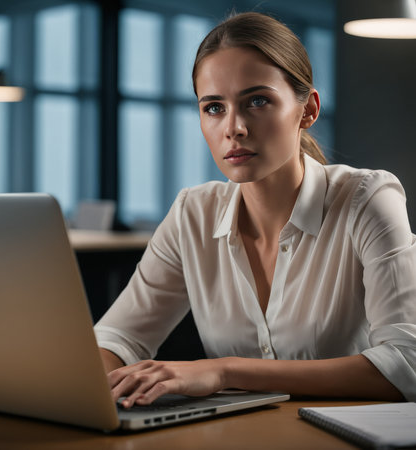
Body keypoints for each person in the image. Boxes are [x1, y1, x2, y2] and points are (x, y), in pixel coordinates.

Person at [95, 12, 416, 409]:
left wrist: (225, 371)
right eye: (213, 107)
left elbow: (406, 362)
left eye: (257, 101)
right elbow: (117, 338)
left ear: (308, 110)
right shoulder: (192, 213)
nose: (234, 128)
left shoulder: (368, 199)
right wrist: (86, 387)